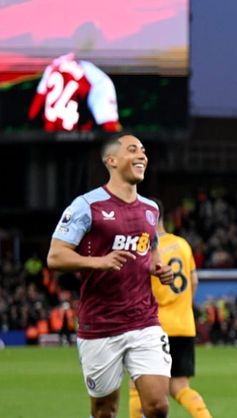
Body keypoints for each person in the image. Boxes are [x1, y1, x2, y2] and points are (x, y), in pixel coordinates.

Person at [46, 133, 173, 418]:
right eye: (133, 150)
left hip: (144, 321)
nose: (142, 155)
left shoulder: (150, 209)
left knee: (158, 405)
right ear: (111, 160)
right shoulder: (86, 206)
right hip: (100, 325)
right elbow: (55, 256)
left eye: (143, 150)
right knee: (105, 410)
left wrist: (158, 268)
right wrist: (98, 262)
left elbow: (150, 248)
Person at [129, 204, 212, 418]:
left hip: (154, 327)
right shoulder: (183, 245)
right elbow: (194, 280)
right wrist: (182, 306)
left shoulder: (146, 248)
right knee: (179, 387)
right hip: (184, 325)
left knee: (137, 386)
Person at [27, 52, 121, 132]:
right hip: (76, 137)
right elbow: (109, 124)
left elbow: (33, 113)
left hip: (50, 135)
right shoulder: (87, 70)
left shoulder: (51, 68)